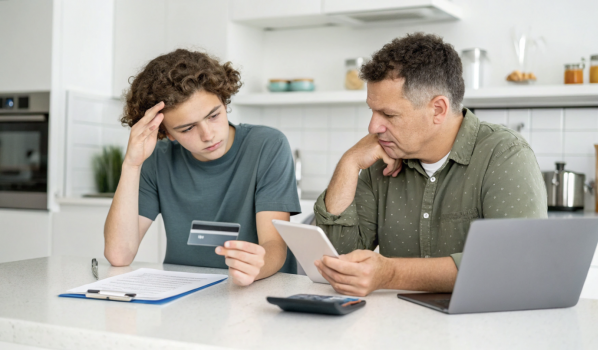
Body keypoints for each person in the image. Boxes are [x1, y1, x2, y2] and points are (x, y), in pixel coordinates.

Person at [313, 33, 547, 296]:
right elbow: (334, 260)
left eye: (389, 114)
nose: (373, 127)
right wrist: (349, 161)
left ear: (438, 109)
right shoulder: (382, 157)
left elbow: (515, 264)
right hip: (400, 326)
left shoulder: (504, 154)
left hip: (482, 329)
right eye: (373, 112)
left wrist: (391, 273)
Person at [104, 49, 301, 286]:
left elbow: (275, 247)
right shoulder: (157, 159)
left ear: (224, 101)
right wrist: (132, 164)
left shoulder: (267, 145)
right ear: (166, 133)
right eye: (187, 129)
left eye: (214, 116)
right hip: (184, 296)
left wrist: (256, 267)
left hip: (255, 292)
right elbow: (119, 255)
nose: (208, 135)